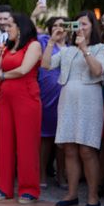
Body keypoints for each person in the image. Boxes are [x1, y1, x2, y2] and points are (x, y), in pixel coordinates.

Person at [42, 11, 104, 206]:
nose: (80, 27)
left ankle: (93, 196)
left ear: (92, 27)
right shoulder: (67, 51)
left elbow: (98, 71)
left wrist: (85, 49)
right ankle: (71, 194)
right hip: (68, 102)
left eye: (84, 24)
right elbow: (45, 65)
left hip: (90, 101)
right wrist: (52, 42)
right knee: (69, 148)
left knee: (87, 149)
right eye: (77, 24)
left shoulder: (100, 48)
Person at [0, 12, 42, 203]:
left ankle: (29, 189)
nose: (7, 28)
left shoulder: (34, 45)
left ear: (20, 27)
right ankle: (4, 188)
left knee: (26, 144)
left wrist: (3, 75)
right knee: (4, 143)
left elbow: (23, 70)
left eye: (10, 25)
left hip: (26, 98)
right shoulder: (6, 48)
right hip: (5, 98)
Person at [38, 17, 67, 189]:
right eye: (55, 25)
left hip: (65, 96)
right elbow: (43, 65)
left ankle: (61, 174)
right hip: (47, 94)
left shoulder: (73, 47)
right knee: (45, 138)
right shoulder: (44, 42)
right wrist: (51, 41)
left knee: (62, 140)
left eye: (62, 25)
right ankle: (41, 174)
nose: (58, 28)